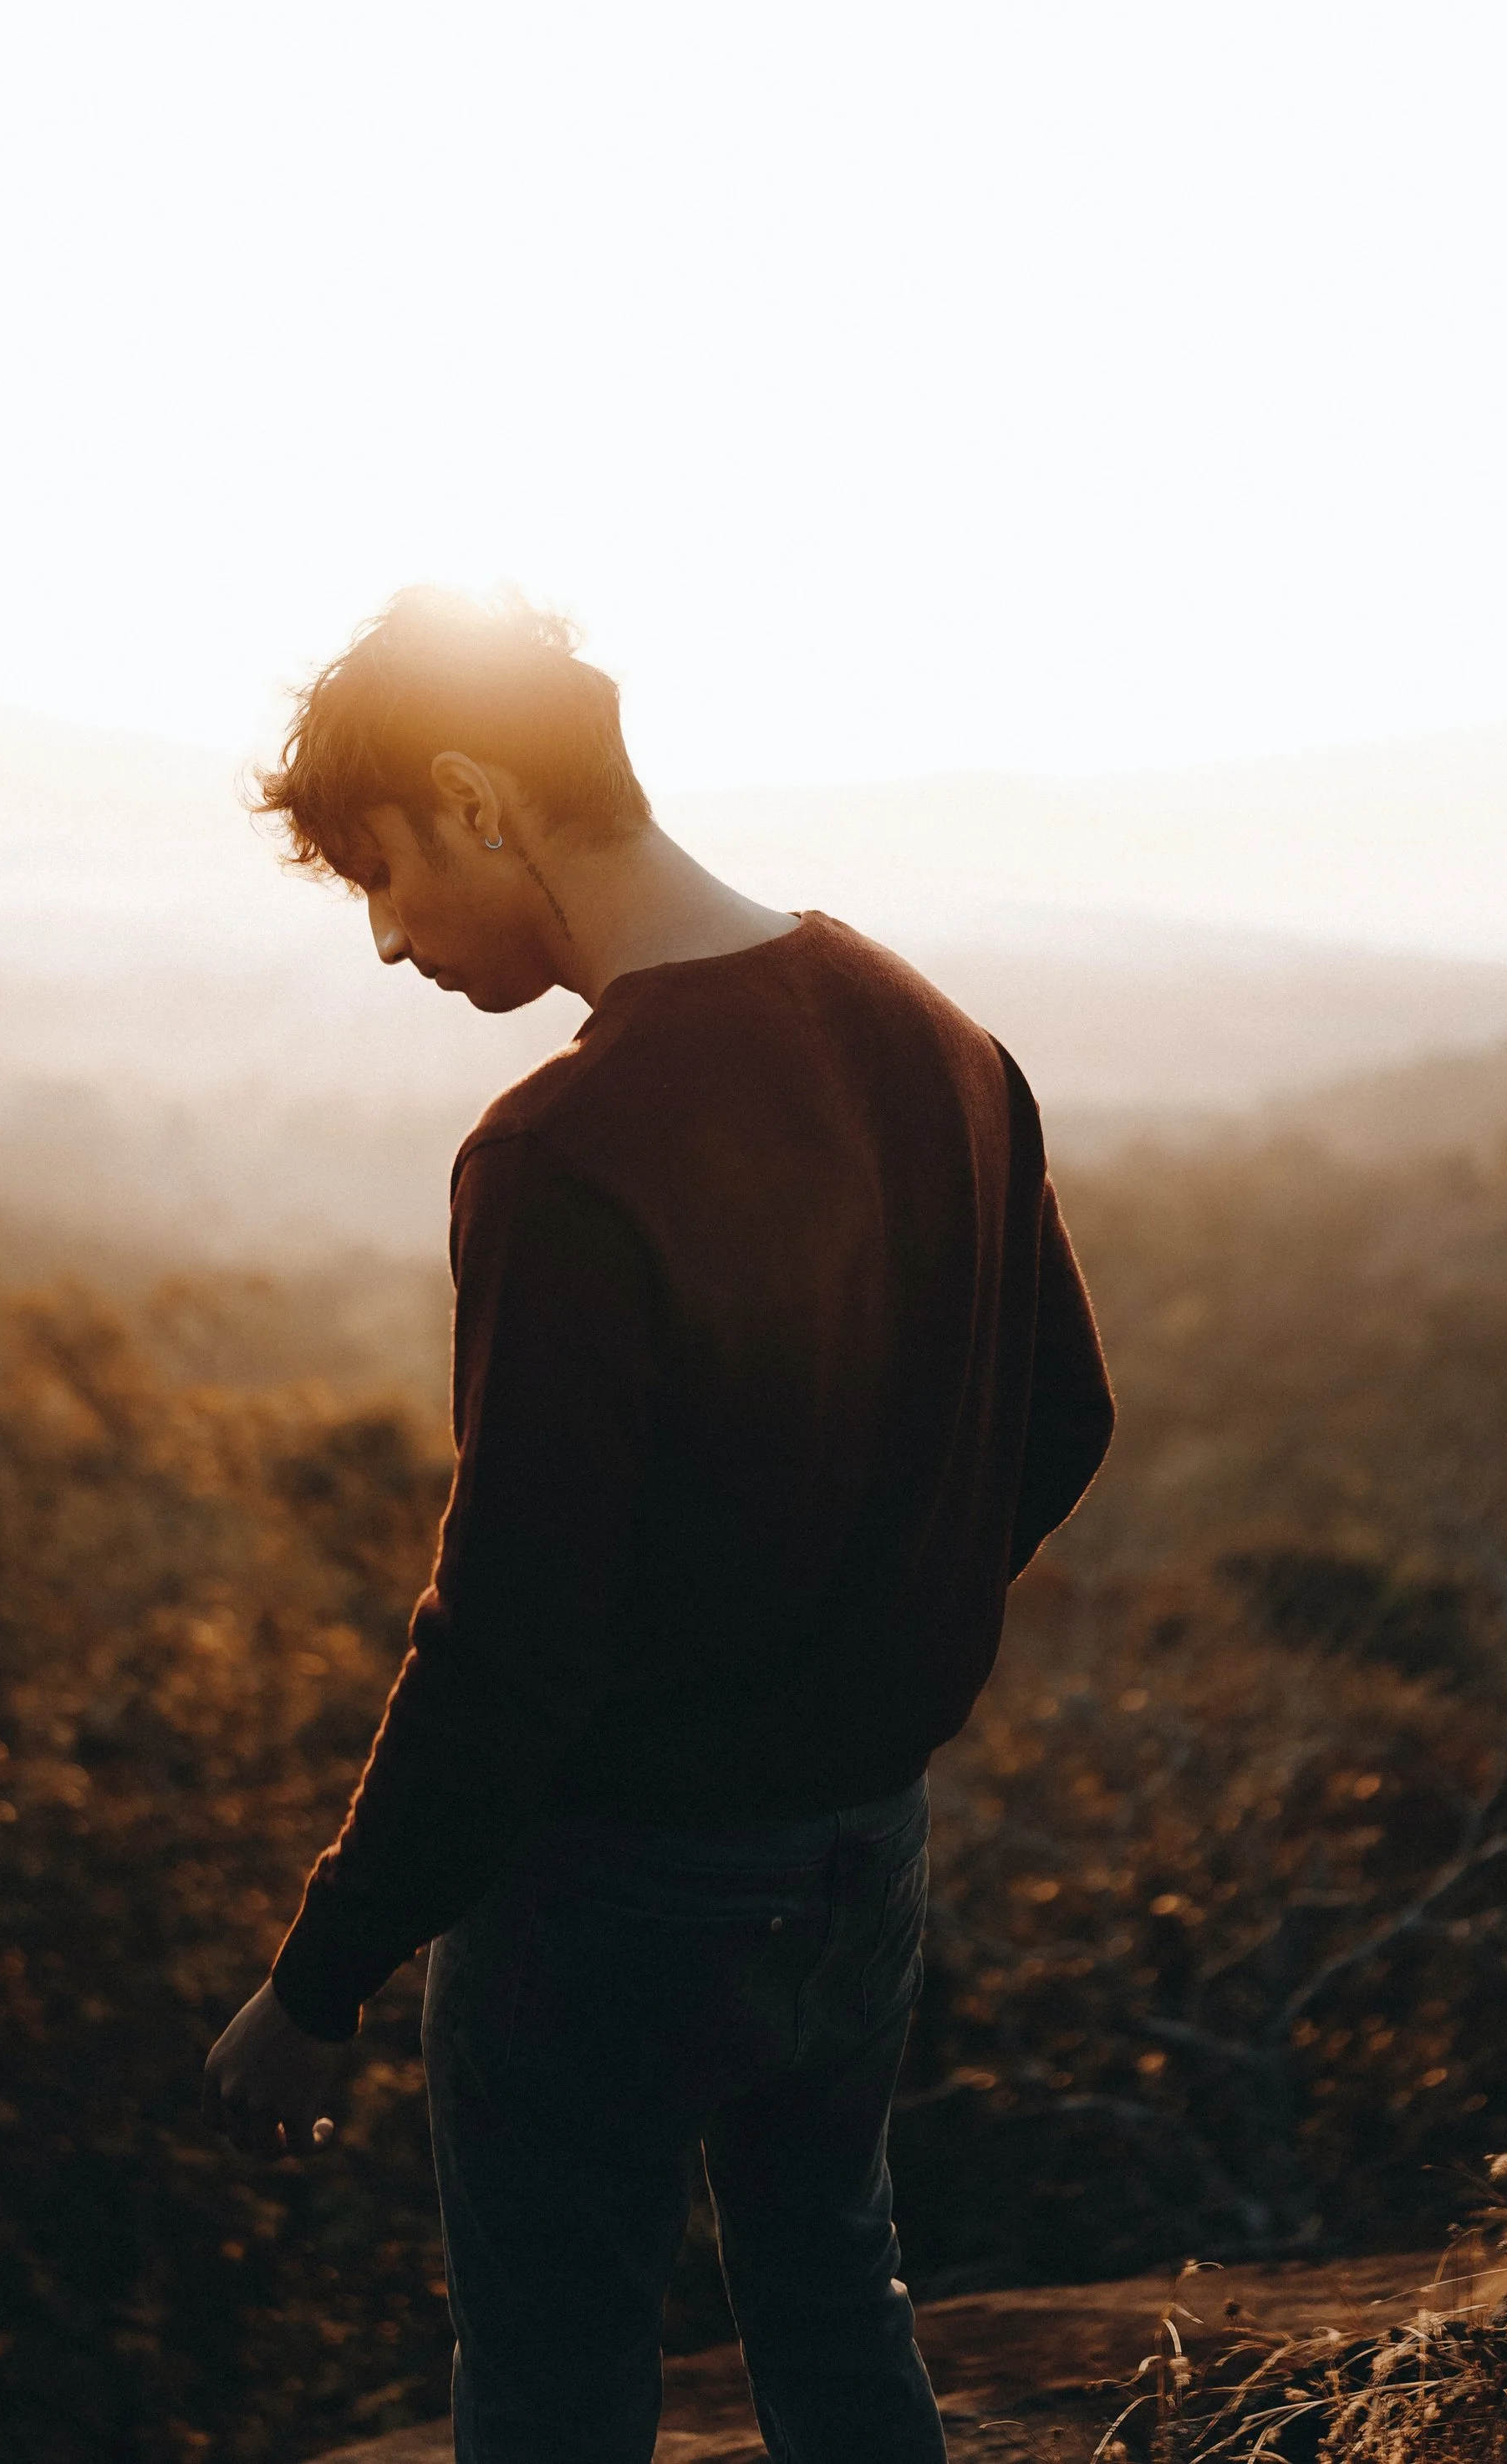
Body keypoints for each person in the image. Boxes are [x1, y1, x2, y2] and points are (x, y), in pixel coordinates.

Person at [204, 588, 1116, 2463]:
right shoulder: (938, 1039)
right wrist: (849, 1651)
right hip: (862, 1851)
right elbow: (1063, 1420)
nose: (383, 942)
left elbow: (506, 1640)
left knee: (551, 2385)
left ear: (473, 799)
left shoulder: (565, 1150)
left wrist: (319, 1979)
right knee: (831, 2297)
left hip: (609, 1895)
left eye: (379, 875)